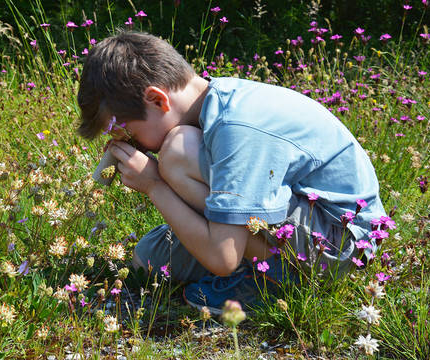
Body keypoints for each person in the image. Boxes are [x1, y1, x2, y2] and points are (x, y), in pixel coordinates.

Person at [76, 31, 388, 314]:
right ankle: (258, 265)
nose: (129, 141)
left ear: (158, 100)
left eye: (127, 131)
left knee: (178, 151)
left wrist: (155, 185)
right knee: (150, 257)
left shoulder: (235, 126)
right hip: (298, 217)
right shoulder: (214, 105)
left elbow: (222, 259)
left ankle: (278, 281)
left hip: (338, 239)